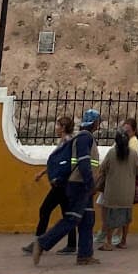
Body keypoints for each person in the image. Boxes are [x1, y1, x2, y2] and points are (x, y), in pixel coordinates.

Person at [33, 107, 102, 265]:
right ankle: (43, 242)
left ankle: (85, 255)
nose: (98, 124)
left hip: (81, 184)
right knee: (72, 218)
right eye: (98, 121)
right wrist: (90, 184)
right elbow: (84, 162)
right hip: (80, 185)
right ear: (95, 122)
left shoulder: (83, 137)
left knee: (87, 219)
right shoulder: (85, 138)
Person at [22, 114, 76, 257]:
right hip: (61, 184)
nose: (56, 128)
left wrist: (56, 176)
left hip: (61, 184)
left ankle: (39, 242)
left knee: (45, 210)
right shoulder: (64, 142)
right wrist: (43, 173)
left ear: (63, 127)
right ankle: (71, 244)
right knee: (67, 214)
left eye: (58, 125)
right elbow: (57, 162)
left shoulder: (68, 143)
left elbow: (65, 163)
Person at [95, 127, 138, 251]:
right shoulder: (133, 153)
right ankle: (123, 241)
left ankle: (108, 242)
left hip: (112, 191)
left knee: (110, 217)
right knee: (126, 217)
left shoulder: (111, 153)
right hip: (128, 192)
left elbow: (102, 168)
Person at [119, 117, 138, 247]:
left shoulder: (133, 144)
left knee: (123, 209)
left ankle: (119, 236)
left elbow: (135, 164)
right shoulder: (121, 142)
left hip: (127, 180)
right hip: (122, 179)